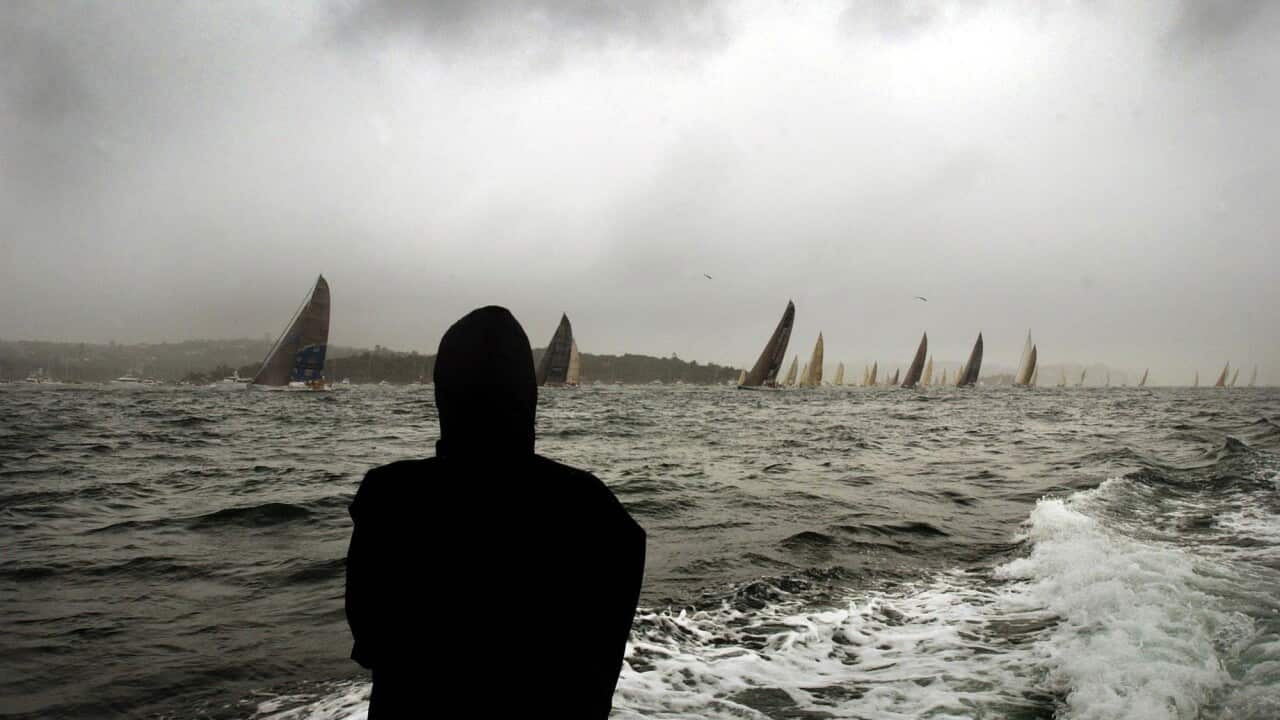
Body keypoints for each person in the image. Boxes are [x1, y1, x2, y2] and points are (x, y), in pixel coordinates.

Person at [345, 306, 646, 718]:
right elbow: (599, 660)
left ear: (443, 394)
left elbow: (370, 643)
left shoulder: (389, 498)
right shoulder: (596, 511)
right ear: (527, 394)